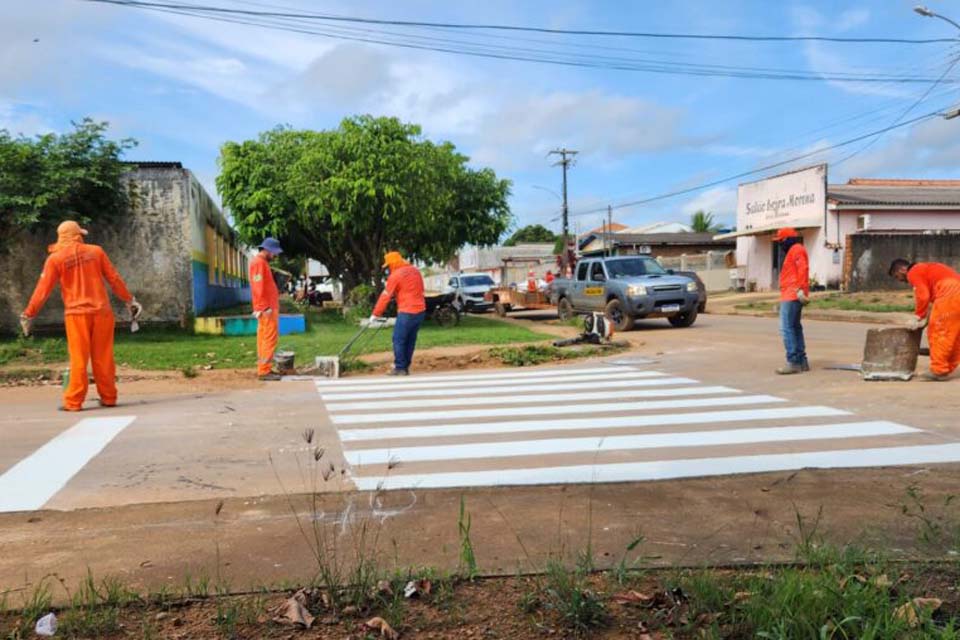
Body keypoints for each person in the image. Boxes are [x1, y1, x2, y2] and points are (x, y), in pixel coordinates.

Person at [20, 221, 142, 411]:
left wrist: (29, 313)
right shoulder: (96, 252)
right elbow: (114, 279)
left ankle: (73, 402)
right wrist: (129, 300)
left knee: (78, 358)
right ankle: (109, 398)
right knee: (104, 357)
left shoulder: (55, 259)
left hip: (76, 315)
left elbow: (42, 290)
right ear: (78, 235)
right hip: (102, 313)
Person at [889, 258, 960, 381]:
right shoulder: (926, 269)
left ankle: (939, 370)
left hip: (950, 294)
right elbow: (931, 300)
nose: (900, 280)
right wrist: (926, 318)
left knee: (938, 332)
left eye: (897, 276)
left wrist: (918, 316)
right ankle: (947, 367)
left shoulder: (913, 272)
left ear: (902, 269)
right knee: (954, 335)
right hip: (955, 293)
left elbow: (923, 295)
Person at [371, 251, 426, 376]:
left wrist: (376, 313)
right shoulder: (415, 271)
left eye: (388, 266)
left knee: (398, 339)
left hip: (407, 311)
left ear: (393, 263)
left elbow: (386, 295)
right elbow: (420, 289)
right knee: (410, 339)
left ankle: (400, 367)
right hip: (421, 311)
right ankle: (405, 366)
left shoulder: (396, 275)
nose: (388, 269)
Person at [774, 227, 810, 375]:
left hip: (792, 294)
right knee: (794, 327)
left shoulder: (796, 249)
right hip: (791, 294)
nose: (780, 244)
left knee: (787, 328)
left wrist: (801, 289)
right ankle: (801, 361)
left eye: (781, 241)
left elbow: (803, 269)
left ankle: (794, 361)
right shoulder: (794, 250)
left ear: (787, 240)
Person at [249, 237, 283, 381]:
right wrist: (265, 307)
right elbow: (258, 288)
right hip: (267, 308)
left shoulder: (262, 263)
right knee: (269, 338)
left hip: (267, 307)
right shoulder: (258, 263)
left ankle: (264, 368)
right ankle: (264, 371)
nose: (275, 256)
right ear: (267, 250)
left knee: (264, 339)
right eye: (274, 253)